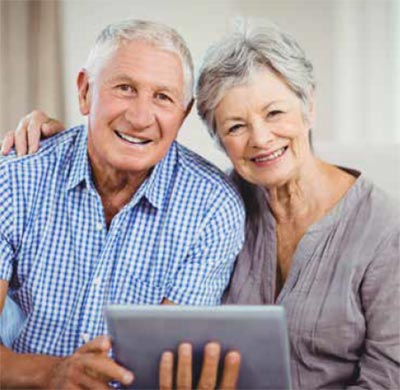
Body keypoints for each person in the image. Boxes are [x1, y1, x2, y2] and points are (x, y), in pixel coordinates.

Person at [4, 22, 400, 390]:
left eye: (275, 112)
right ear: (216, 137)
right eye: (236, 126)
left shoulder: (381, 230)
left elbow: (389, 378)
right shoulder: (228, 201)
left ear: (309, 106)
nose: (261, 139)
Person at [0, 19, 245, 389]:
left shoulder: (212, 208)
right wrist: (53, 373)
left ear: (182, 112)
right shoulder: (16, 178)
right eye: (125, 88)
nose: (140, 117)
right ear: (85, 92)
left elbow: (162, 371)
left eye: (163, 97)